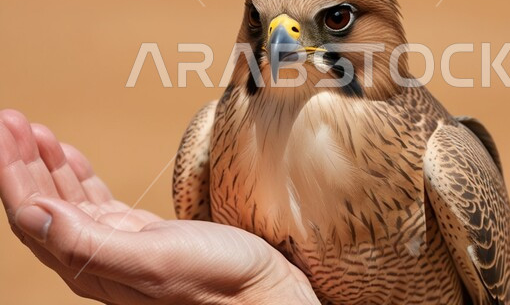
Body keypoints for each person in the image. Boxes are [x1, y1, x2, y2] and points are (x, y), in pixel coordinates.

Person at [0, 109, 320, 304]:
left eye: (335, 20)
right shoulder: (217, 130)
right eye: (255, 19)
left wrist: (261, 292)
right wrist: (269, 292)